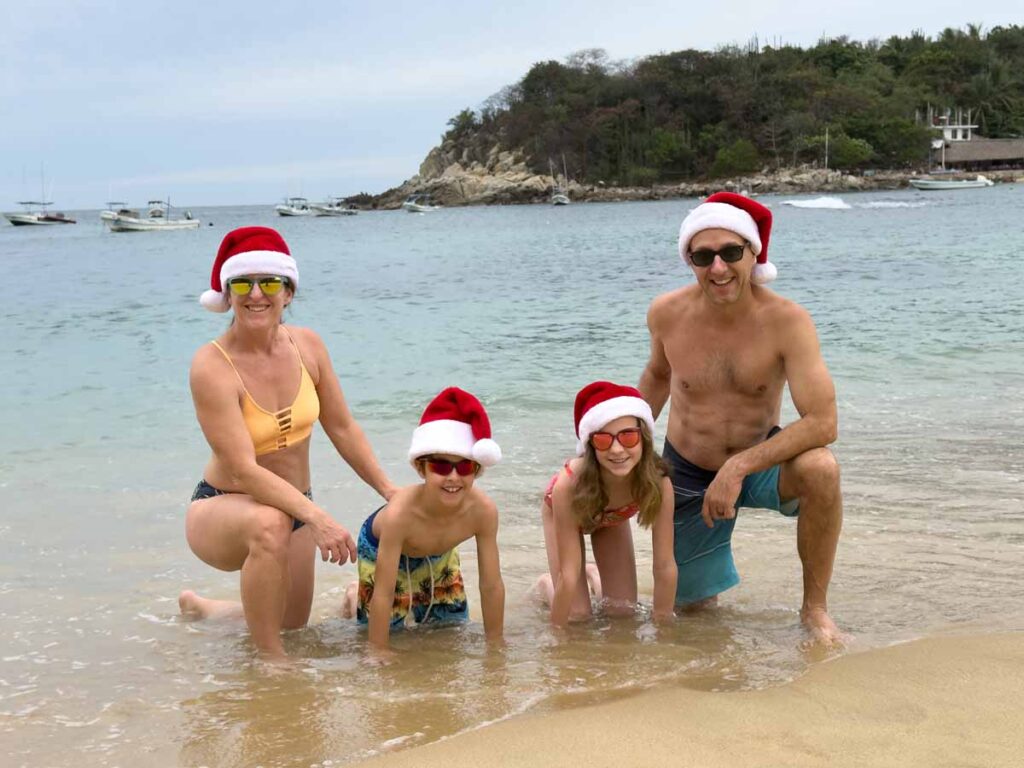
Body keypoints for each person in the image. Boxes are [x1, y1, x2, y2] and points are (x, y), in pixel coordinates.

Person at [179, 226, 397, 660]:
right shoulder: (211, 364)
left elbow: (343, 428)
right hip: (223, 505)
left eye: (269, 282)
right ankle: (272, 665)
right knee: (268, 526)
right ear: (227, 293)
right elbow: (242, 468)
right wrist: (316, 518)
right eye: (242, 283)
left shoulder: (309, 346)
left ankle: (204, 609)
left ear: (289, 291)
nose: (256, 294)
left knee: (292, 623)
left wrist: (391, 492)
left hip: (295, 504)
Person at [638, 192, 844, 644]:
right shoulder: (666, 314)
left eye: (731, 252)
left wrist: (738, 467)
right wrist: (623, 452)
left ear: (753, 254)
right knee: (690, 619)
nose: (718, 268)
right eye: (703, 256)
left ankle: (815, 610)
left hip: (757, 463)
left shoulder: (788, 321)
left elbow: (823, 422)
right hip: (688, 468)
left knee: (821, 469)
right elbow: (656, 377)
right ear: (689, 260)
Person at [341, 387, 505, 656]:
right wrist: (378, 650)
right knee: (391, 630)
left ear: (477, 469)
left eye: (464, 467)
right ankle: (352, 595)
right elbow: (383, 592)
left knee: (449, 628)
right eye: (441, 466)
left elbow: (491, 584)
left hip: (438, 551)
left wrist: (496, 644)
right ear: (421, 467)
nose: (453, 477)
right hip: (383, 547)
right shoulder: (400, 515)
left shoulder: (483, 511)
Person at [536, 381, 676, 627]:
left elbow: (664, 565)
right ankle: (545, 584)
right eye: (603, 440)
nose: (617, 449)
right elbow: (569, 574)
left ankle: (592, 574)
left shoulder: (658, 481)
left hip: (612, 519)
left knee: (622, 613)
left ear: (644, 438)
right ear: (590, 446)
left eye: (628, 437)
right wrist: (557, 635)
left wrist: (663, 625)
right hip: (569, 513)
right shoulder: (568, 485)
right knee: (578, 616)